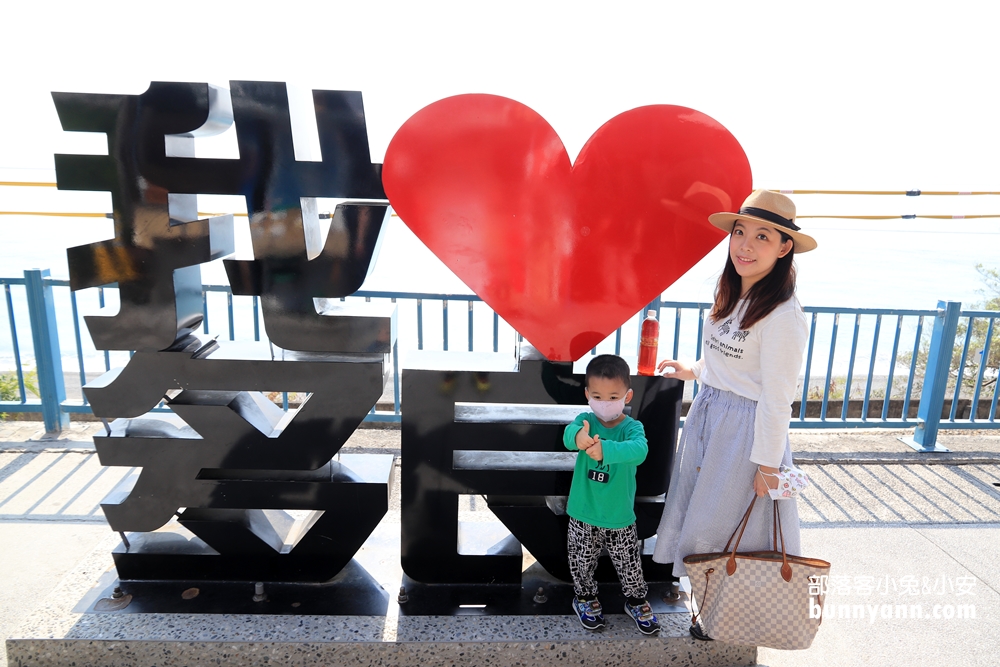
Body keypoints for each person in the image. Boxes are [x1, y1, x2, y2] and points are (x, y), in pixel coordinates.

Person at [651, 189, 817, 641]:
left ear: (784, 248)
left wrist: (766, 464)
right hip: (710, 416)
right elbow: (728, 360)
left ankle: (729, 612)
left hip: (746, 431)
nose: (744, 244)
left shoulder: (784, 315)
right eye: (740, 232)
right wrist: (696, 371)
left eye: (762, 237)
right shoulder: (733, 292)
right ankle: (710, 606)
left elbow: (776, 396)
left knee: (724, 525)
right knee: (702, 514)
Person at [562, 354, 659, 635]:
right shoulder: (585, 420)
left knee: (629, 564)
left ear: (627, 396)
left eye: (613, 396)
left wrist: (606, 449)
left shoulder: (632, 427)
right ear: (587, 395)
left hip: (619, 516)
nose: (605, 403)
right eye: (597, 396)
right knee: (581, 561)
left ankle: (637, 600)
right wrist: (579, 438)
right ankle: (585, 598)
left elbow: (639, 451)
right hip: (583, 511)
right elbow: (570, 435)